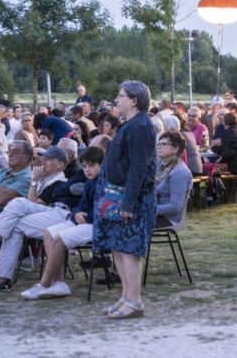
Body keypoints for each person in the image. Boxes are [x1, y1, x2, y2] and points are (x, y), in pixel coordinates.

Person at [92, 81, 157, 319]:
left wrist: (128, 203)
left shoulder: (140, 125)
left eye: (120, 96)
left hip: (134, 199)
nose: (116, 100)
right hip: (122, 197)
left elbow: (139, 168)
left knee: (130, 251)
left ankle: (135, 301)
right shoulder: (131, 124)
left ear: (134, 100)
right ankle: (125, 297)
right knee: (119, 248)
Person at [0, 145, 68, 292]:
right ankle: (2, 280)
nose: (42, 163)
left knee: (17, 203)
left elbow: (31, 203)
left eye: (47, 160)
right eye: (42, 159)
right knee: (12, 227)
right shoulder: (43, 179)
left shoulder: (59, 182)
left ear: (60, 165)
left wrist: (33, 180)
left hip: (57, 217)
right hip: (36, 218)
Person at [19, 146, 104, 299]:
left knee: (59, 238)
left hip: (96, 225)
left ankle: (42, 284)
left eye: (91, 165)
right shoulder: (89, 182)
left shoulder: (103, 183)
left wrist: (85, 217)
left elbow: (102, 210)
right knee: (48, 233)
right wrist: (76, 214)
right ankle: (60, 283)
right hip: (80, 220)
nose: (87, 170)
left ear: (101, 165)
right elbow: (79, 205)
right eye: (84, 166)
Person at [211, 113, 237, 202]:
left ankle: (215, 197)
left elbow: (230, 151)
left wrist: (221, 159)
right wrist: (214, 148)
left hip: (232, 164)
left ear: (226, 121)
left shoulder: (231, 132)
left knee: (213, 172)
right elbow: (227, 148)